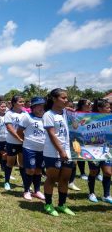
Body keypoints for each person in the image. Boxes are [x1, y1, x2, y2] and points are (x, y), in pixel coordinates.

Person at [42, 88, 75, 216]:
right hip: (53, 152)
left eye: (67, 98)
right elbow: (51, 134)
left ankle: (61, 205)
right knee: (52, 178)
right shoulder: (48, 115)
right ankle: (48, 204)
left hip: (68, 150)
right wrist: (61, 150)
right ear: (54, 99)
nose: (66, 100)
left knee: (65, 179)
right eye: (63, 98)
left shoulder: (66, 113)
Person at [17, 97, 46, 201]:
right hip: (30, 148)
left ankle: (37, 191)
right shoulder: (27, 117)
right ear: (33, 107)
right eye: (38, 105)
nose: (41, 108)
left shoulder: (46, 117)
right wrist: (27, 140)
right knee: (30, 170)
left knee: (38, 170)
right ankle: (26, 190)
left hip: (43, 149)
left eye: (43, 105)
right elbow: (19, 131)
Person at [86, 99, 112, 204]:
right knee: (93, 172)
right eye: (107, 107)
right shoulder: (90, 119)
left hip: (106, 149)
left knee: (108, 172)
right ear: (100, 108)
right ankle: (91, 193)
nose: (110, 109)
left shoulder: (110, 119)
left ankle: (106, 195)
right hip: (93, 149)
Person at [4, 95, 27, 191]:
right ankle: (7, 182)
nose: (23, 103)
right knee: (10, 163)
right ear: (14, 103)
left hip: (23, 143)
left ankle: (25, 182)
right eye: (20, 101)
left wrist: (24, 139)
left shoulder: (25, 113)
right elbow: (9, 128)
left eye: (23, 101)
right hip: (12, 142)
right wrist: (19, 138)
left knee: (22, 164)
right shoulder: (9, 114)